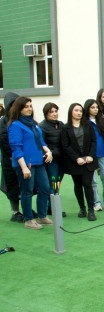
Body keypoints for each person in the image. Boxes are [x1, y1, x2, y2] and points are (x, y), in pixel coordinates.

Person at [8, 96, 53, 229]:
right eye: (26, 106)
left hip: (38, 161)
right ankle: (28, 219)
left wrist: (48, 151)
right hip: (25, 164)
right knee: (27, 191)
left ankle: (42, 215)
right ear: (19, 108)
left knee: (45, 188)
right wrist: (24, 168)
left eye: (30, 106)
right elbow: (16, 147)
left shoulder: (33, 124)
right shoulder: (15, 125)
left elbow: (41, 142)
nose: (29, 108)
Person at [61, 103, 98, 221]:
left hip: (89, 161)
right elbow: (65, 146)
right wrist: (76, 158)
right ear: (71, 112)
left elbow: (93, 141)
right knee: (78, 185)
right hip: (74, 162)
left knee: (87, 184)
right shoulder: (65, 128)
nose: (79, 113)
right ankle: (82, 208)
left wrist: (91, 156)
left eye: (81, 111)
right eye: (76, 110)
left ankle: (91, 210)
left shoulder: (88, 125)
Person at [84, 99, 104, 211]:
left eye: (96, 107)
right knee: (93, 181)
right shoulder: (84, 122)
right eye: (92, 107)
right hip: (90, 155)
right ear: (87, 109)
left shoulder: (102, 120)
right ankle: (96, 203)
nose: (95, 109)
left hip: (103, 154)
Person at [39, 102, 66, 217]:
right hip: (51, 161)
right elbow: (41, 144)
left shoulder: (61, 124)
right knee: (53, 184)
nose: (55, 114)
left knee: (57, 183)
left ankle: (52, 207)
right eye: (51, 112)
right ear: (46, 114)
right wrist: (50, 153)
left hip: (62, 160)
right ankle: (53, 209)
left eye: (56, 111)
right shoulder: (42, 126)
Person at [0, 92, 23, 223]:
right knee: (12, 185)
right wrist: (15, 155)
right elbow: (4, 141)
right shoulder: (3, 121)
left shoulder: (21, 119)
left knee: (25, 185)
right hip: (10, 160)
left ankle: (25, 208)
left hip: (23, 158)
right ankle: (15, 211)